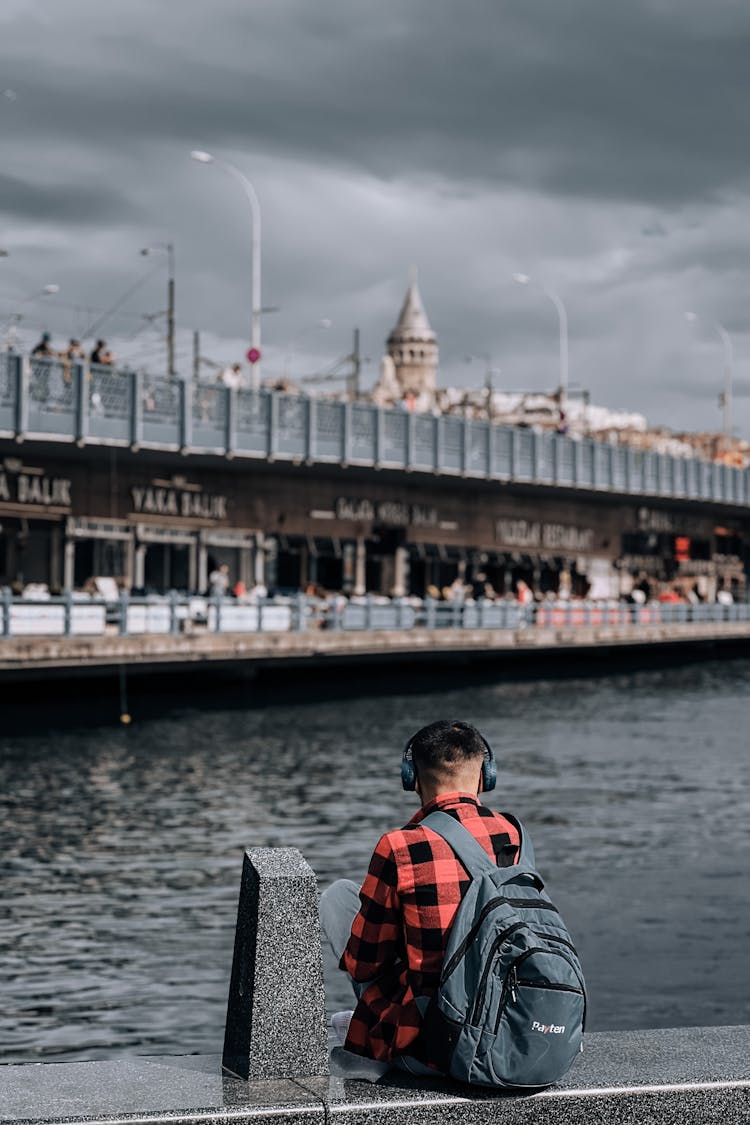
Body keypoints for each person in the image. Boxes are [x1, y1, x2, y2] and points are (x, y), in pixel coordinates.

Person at [320, 719, 520, 1074]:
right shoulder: (513, 834)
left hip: (435, 1040)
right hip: (506, 1024)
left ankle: (369, 1025)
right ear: (485, 776)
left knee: (339, 897)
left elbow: (365, 962)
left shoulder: (400, 845)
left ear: (411, 777)